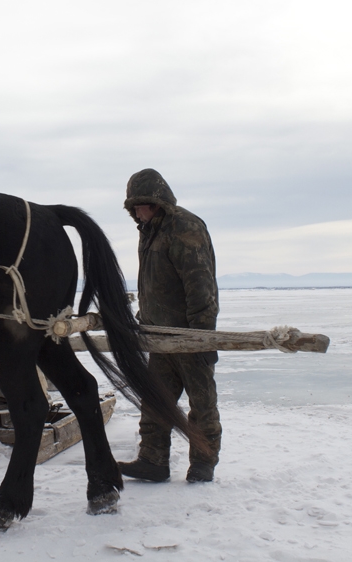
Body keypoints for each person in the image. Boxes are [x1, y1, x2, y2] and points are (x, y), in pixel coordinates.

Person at [118, 168, 222, 483]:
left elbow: (199, 285)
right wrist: (145, 322)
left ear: (158, 201)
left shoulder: (184, 228)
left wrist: (201, 337)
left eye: (142, 204)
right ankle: (153, 460)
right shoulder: (150, 230)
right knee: (155, 401)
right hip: (159, 336)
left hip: (189, 334)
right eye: (133, 207)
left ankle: (203, 463)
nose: (137, 212)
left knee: (201, 402)